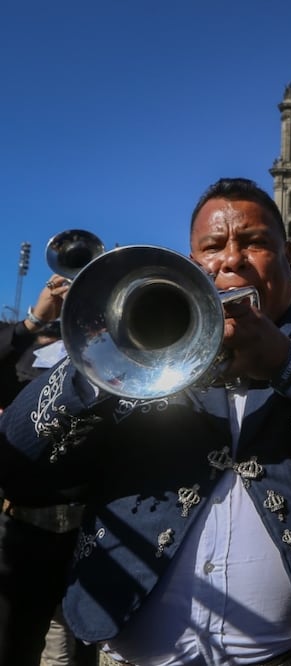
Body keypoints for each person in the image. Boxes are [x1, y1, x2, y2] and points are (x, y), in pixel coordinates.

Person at [0, 177, 291, 664]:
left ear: (288, 256)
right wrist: (103, 366)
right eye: (213, 246)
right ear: (192, 261)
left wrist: (287, 362)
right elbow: (17, 463)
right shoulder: (126, 346)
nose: (232, 259)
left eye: (255, 243)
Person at [0, 276, 94, 666]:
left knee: (76, 653)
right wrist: (34, 322)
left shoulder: (96, 356)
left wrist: (92, 320)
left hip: (87, 537)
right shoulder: (18, 357)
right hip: (21, 535)